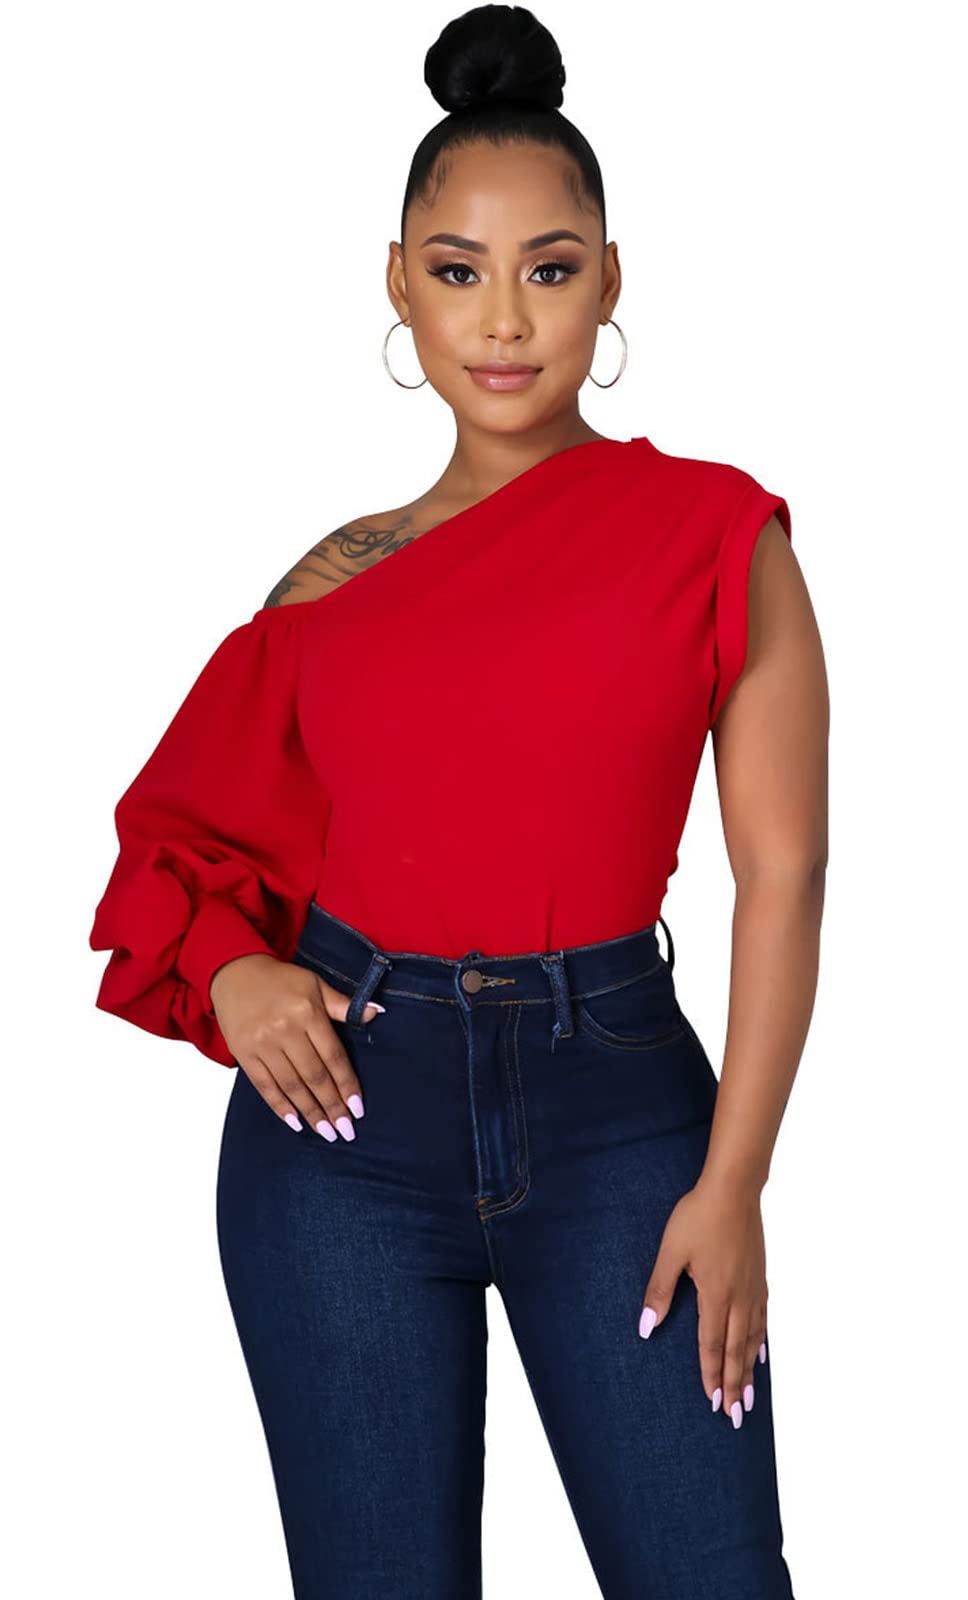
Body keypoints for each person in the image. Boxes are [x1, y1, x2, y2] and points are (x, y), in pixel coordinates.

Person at [89, 6, 825, 1596]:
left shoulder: (718, 533)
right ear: (399, 286)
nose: (504, 319)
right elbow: (178, 844)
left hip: (624, 1113)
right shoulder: (331, 585)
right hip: (343, 1131)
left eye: (549, 270)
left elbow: (784, 875)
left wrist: (734, 1182)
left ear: (611, 282)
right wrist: (233, 971)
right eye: (458, 269)